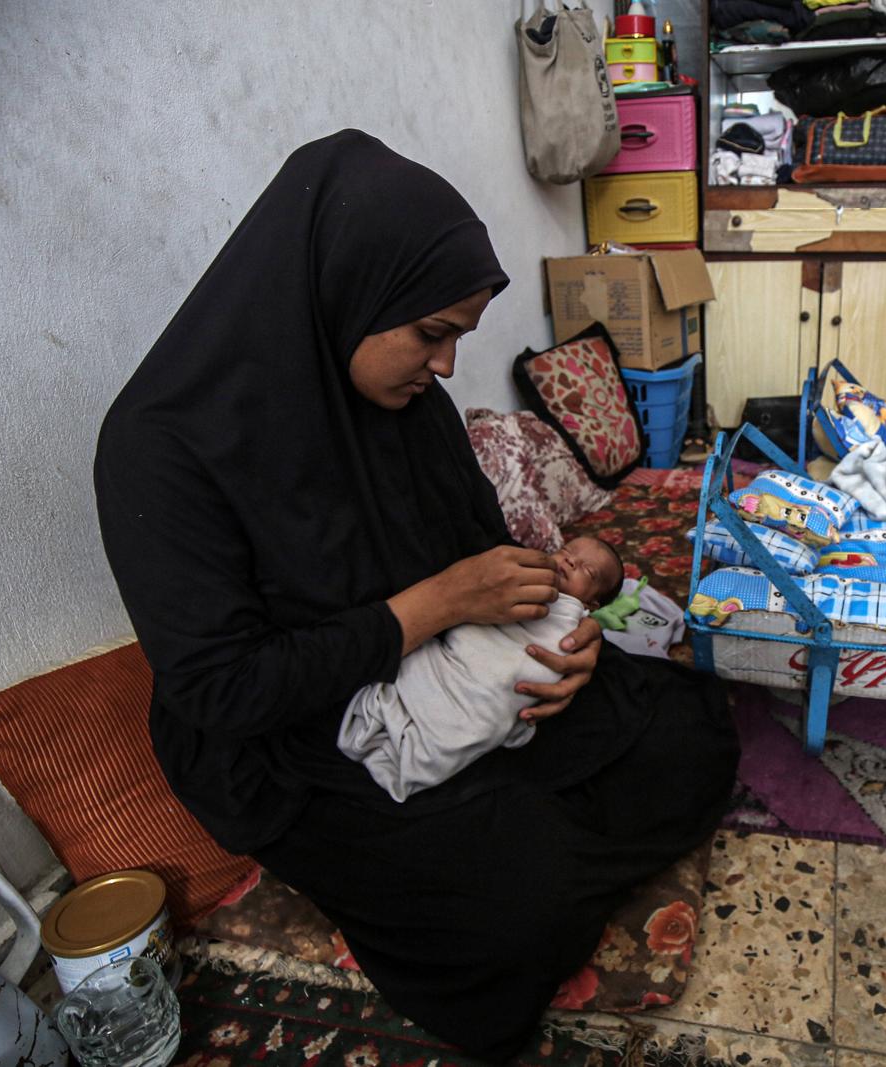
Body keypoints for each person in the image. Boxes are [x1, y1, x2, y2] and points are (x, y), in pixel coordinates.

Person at [93, 131, 738, 1062]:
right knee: (519, 906)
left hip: (450, 668)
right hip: (298, 739)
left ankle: (532, 818)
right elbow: (222, 690)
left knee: (685, 726)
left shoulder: (409, 410)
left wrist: (569, 635)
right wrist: (431, 607)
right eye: (431, 334)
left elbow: (482, 559)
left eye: (458, 340)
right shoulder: (162, 446)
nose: (445, 368)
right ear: (347, 288)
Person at [337, 536, 624, 803]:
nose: (571, 561)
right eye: (566, 551)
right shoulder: (528, 575)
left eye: (588, 571)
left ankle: (432, 738)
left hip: (500, 689)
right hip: (452, 659)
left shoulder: (569, 617)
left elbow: (552, 658)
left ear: (591, 603)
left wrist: (586, 636)